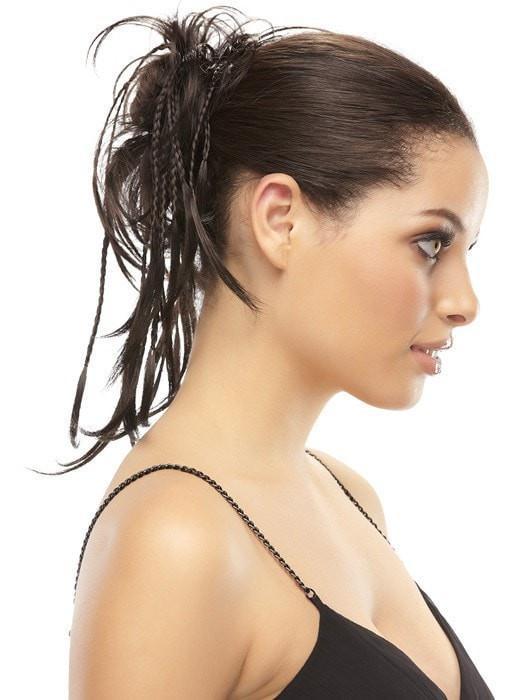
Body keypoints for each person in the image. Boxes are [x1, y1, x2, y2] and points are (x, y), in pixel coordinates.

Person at [41, 5, 493, 698]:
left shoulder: (348, 496)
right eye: (430, 244)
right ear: (280, 220)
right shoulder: (176, 541)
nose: (464, 301)